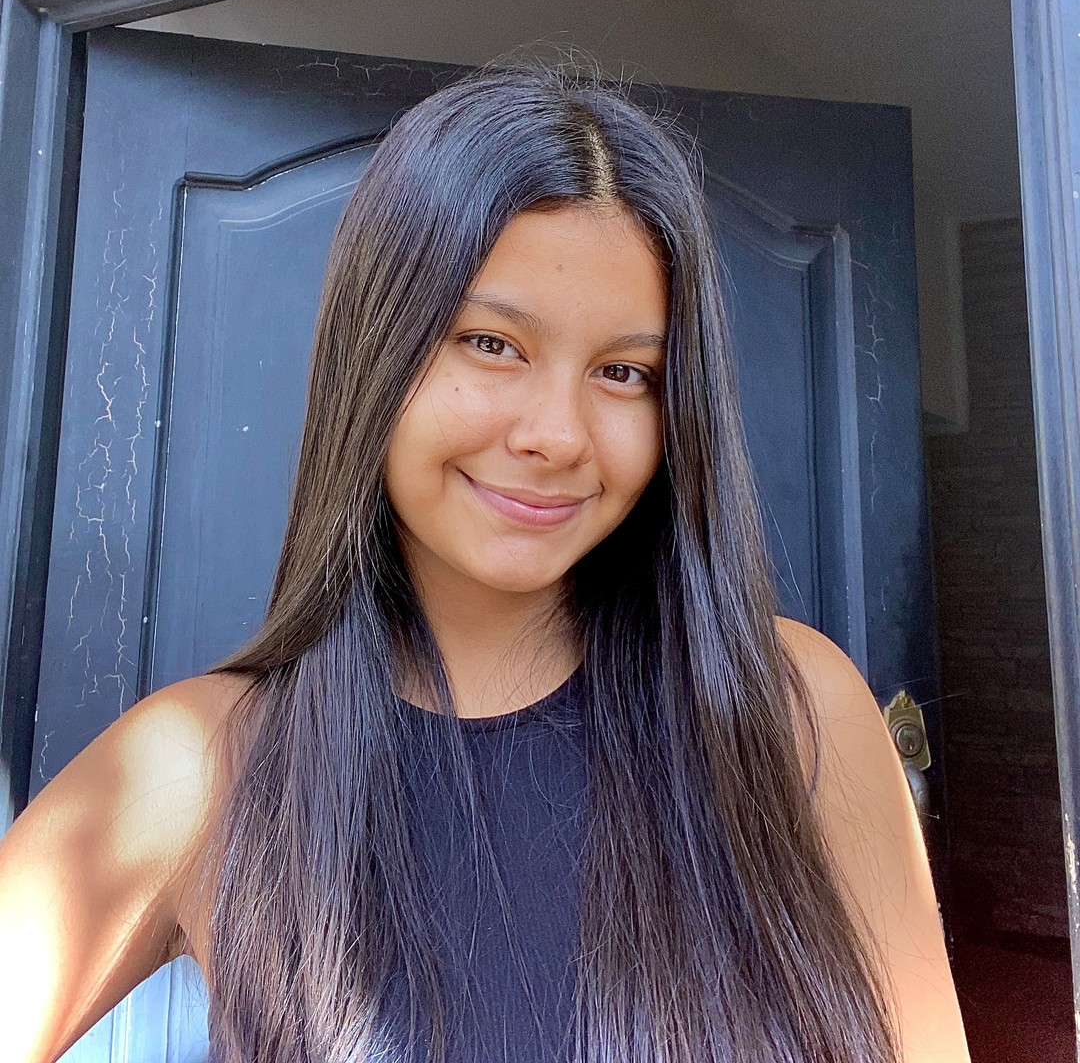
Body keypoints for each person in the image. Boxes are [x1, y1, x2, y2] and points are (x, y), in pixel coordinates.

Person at [0, 64, 969, 1063]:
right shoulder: (201, 766)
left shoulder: (795, 715)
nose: (558, 435)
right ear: (376, 349)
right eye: (492, 344)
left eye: (624, 372)